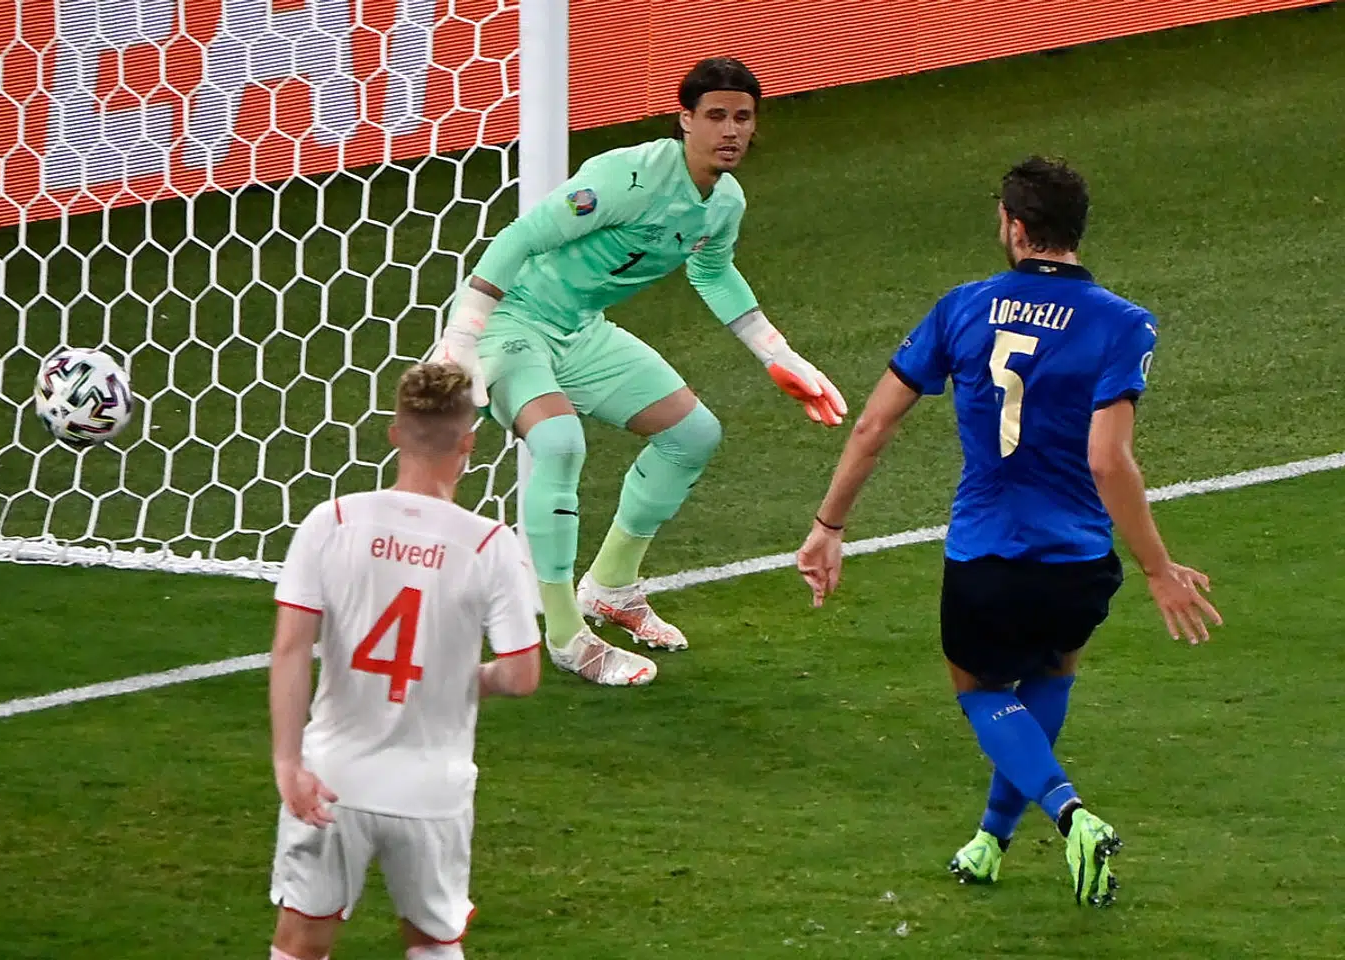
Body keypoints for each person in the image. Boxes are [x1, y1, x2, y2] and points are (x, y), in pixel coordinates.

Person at [795, 157, 1222, 906]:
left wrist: (829, 524)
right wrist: (1156, 567)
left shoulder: (962, 307)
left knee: (980, 689)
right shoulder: (1124, 323)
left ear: (1015, 227)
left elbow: (872, 426)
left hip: (985, 552)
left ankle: (1071, 814)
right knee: (1052, 672)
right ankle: (990, 842)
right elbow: (1108, 458)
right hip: (1078, 557)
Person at [425, 57, 846, 687]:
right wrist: (463, 334)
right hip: (513, 321)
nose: (731, 130)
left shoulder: (723, 202)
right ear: (686, 119)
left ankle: (612, 587)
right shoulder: (627, 178)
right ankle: (564, 634)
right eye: (716, 116)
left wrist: (776, 353)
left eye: (743, 117)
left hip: (580, 329)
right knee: (559, 442)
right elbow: (521, 238)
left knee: (692, 434)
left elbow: (712, 272)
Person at [267, 363, 541, 960]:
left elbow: (290, 650)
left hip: (332, 780)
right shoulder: (490, 544)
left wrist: (288, 763)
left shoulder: (332, 521)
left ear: (394, 433)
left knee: (300, 942)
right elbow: (521, 676)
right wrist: (462, 680)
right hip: (432, 791)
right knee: (435, 943)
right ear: (468, 443)